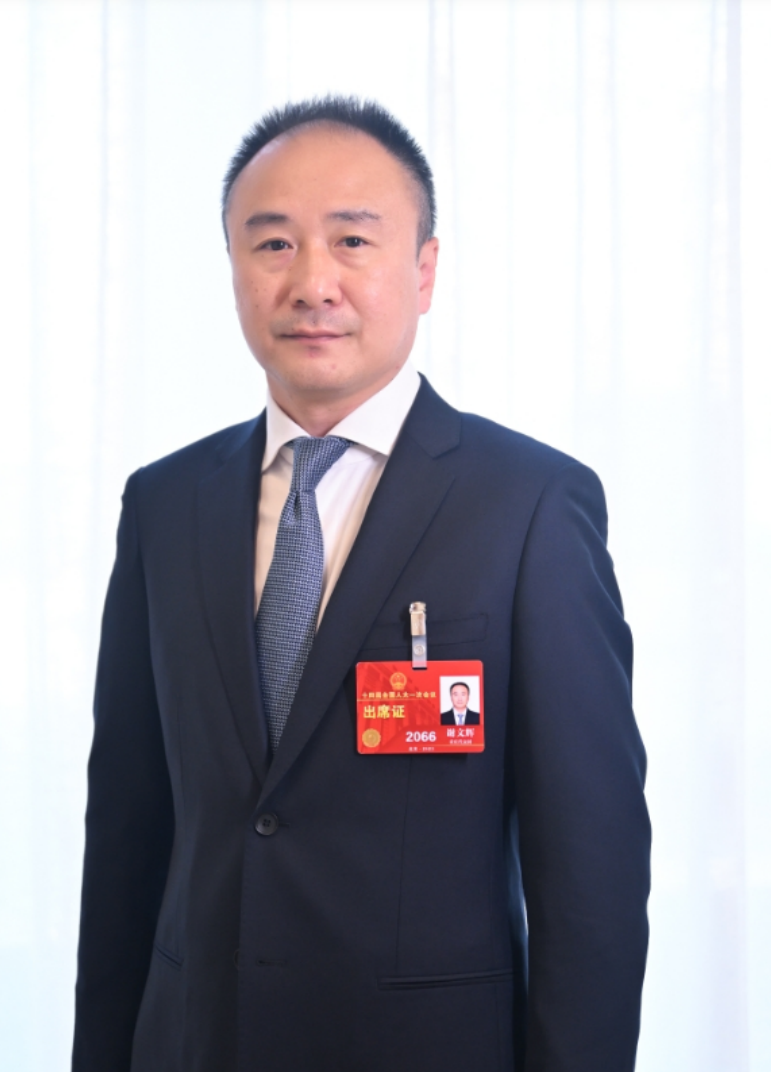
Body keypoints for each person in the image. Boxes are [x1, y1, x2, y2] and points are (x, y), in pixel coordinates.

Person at [72, 96, 651, 1072]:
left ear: (423, 271)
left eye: (351, 240)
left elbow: (589, 867)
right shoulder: (166, 505)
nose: (312, 282)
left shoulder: (527, 506)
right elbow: (126, 831)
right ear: (232, 267)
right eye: (272, 244)